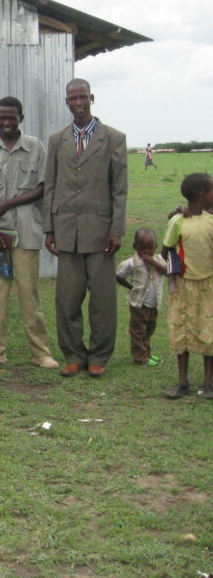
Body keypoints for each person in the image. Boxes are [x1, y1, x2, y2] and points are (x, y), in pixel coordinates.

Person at [43, 79, 128, 377]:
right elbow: (50, 185)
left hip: (101, 232)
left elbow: (119, 189)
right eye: (72, 99)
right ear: (66, 102)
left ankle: (99, 357)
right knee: (67, 299)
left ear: (91, 98)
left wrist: (116, 229)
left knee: (103, 302)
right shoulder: (57, 139)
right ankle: (73, 355)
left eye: (82, 97)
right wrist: (48, 229)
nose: (78, 103)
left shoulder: (114, 138)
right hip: (66, 231)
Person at [0, 98, 58, 369]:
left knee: (29, 294)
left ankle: (40, 352)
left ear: (21, 117)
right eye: (2, 118)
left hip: (26, 231)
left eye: (12, 117)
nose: (7, 123)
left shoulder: (35, 147)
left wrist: (8, 203)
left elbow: (43, 188)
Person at [161, 173, 213, 399]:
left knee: (208, 331)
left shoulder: (211, 219)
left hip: (209, 284)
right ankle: (183, 382)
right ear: (203, 194)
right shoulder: (178, 221)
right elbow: (166, 250)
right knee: (180, 329)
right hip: (182, 285)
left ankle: (208, 383)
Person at [116, 228, 166, 367]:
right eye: (142, 248)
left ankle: (147, 353)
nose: (146, 252)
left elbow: (167, 272)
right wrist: (130, 287)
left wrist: (153, 262)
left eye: (150, 248)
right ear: (135, 246)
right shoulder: (131, 263)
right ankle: (140, 358)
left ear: (156, 247)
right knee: (138, 331)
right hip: (139, 304)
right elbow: (119, 276)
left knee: (149, 330)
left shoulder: (159, 259)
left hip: (154, 304)